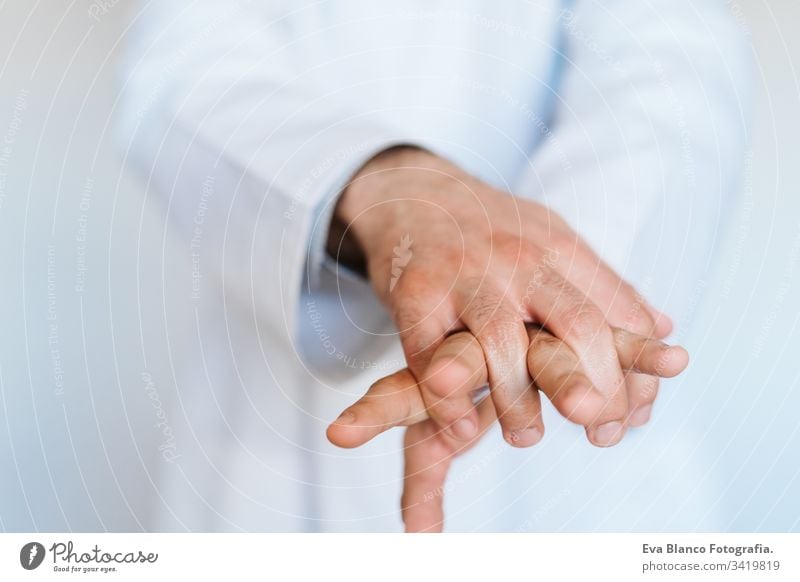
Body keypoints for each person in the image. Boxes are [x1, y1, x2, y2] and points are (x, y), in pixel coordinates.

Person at [118, 0, 752, 532]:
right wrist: (393, 196)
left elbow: (672, 61)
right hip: (275, 446)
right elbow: (188, 69)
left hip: (582, 468)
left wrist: (544, 283)